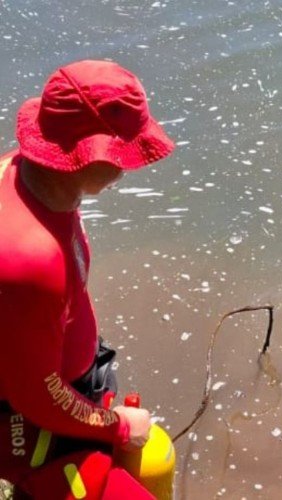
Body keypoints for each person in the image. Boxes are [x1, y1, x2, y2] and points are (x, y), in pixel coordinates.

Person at [0, 60, 175, 498]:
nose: (127, 167)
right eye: (122, 153)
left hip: (58, 369)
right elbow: (36, 398)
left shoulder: (20, 170)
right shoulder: (30, 259)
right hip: (34, 421)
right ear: (84, 154)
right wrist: (118, 426)